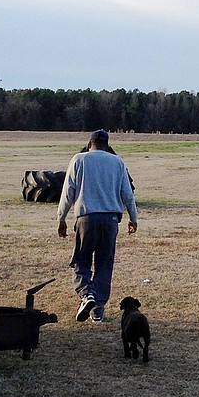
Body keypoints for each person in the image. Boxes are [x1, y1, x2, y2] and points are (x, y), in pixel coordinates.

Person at [57, 129, 138, 323]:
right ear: (107, 145)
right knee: (104, 263)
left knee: (81, 260)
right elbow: (127, 193)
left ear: (89, 143)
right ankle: (98, 309)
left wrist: (61, 218)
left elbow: (68, 191)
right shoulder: (117, 162)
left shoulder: (79, 160)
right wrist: (133, 217)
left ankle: (87, 295)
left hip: (86, 218)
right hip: (111, 220)